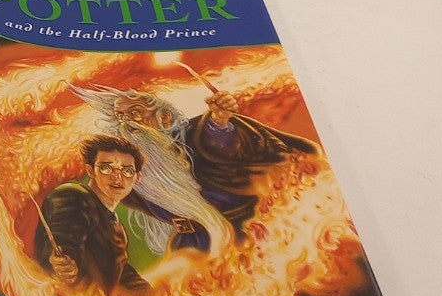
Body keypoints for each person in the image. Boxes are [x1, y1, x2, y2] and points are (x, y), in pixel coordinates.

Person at [78, 82, 317, 252]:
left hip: (251, 231)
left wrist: (219, 120)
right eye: (120, 117)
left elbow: (217, 141)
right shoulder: (129, 168)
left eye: (136, 113)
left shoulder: (195, 137)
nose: (127, 122)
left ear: (164, 118)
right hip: (194, 244)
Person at [33, 135, 150, 295]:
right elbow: (64, 244)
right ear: (90, 171)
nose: (117, 177)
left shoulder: (111, 221)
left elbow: (120, 274)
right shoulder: (72, 196)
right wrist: (62, 266)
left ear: (137, 178)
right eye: (106, 168)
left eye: (127, 171)